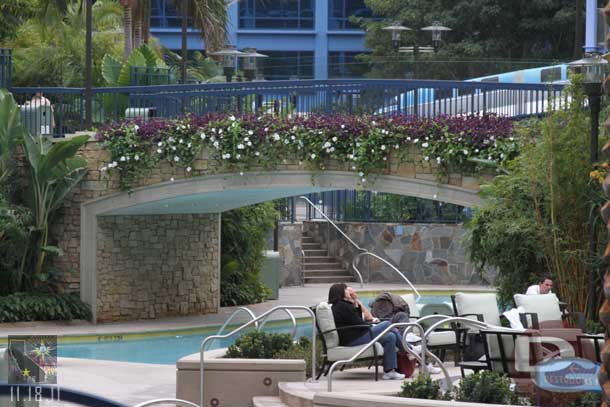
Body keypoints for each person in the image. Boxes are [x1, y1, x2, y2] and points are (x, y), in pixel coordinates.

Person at [328, 282, 418, 380]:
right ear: (340, 292)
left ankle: (389, 371)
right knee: (387, 324)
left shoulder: (343, 305)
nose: (348, 291)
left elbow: (356, 321)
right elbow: (359, 323)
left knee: (390, 336)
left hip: (357, 335)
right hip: (353, 340)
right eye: (346, 289)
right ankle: (409, 349)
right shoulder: (342, 306)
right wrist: (372, 326)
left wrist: (354, 302)